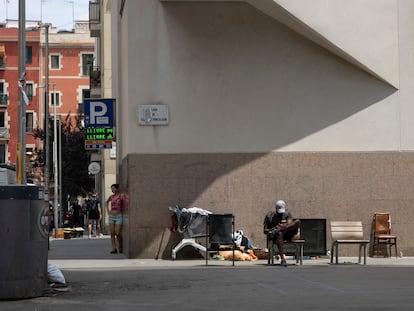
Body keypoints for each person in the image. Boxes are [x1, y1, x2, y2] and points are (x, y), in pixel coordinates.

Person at [263, 200, 301, 267]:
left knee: (297, 221)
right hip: (276, 235)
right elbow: (265, 231)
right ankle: (283, 259)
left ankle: (282, 228)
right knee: (279, 233)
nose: (280, 214)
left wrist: (284, 226)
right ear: (276, 209)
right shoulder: (269, 216)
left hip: (287, 232)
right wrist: (274, 228)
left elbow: (290, 222)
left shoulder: (287, 214)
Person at [106, 184, 127, 254]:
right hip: (111, 216)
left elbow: (126, 202)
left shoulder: (121, 196)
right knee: (112, 233)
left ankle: (120, 246)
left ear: (117, 189)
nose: (112, 190)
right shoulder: (111, 197)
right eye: (111, 188)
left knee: (117, 232)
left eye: (113, 188)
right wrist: (108, 211)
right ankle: (114, 248)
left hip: (119, 216)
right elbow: (106, 202)